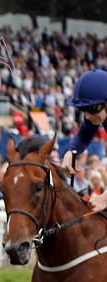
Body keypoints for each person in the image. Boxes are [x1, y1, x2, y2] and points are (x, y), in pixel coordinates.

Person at [63, 70, 107, 210]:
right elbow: (83, 136)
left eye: (92, 109)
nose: (87, 116)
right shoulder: (97, 114)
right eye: (83, 110)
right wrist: (70, 152)